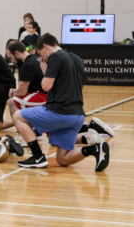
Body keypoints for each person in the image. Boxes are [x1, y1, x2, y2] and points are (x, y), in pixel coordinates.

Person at [11, 33, 110, 171]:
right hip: (78, 115)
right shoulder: (76, 58)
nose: (42, 59)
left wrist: (46, 73)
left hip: (60, 113)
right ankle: (94, 149)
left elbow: (45, 87)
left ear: (45, 47)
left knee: (17, 116)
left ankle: (38, 157)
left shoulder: (55, 57)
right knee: (62, 159)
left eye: (41, 54)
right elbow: (67, 86)